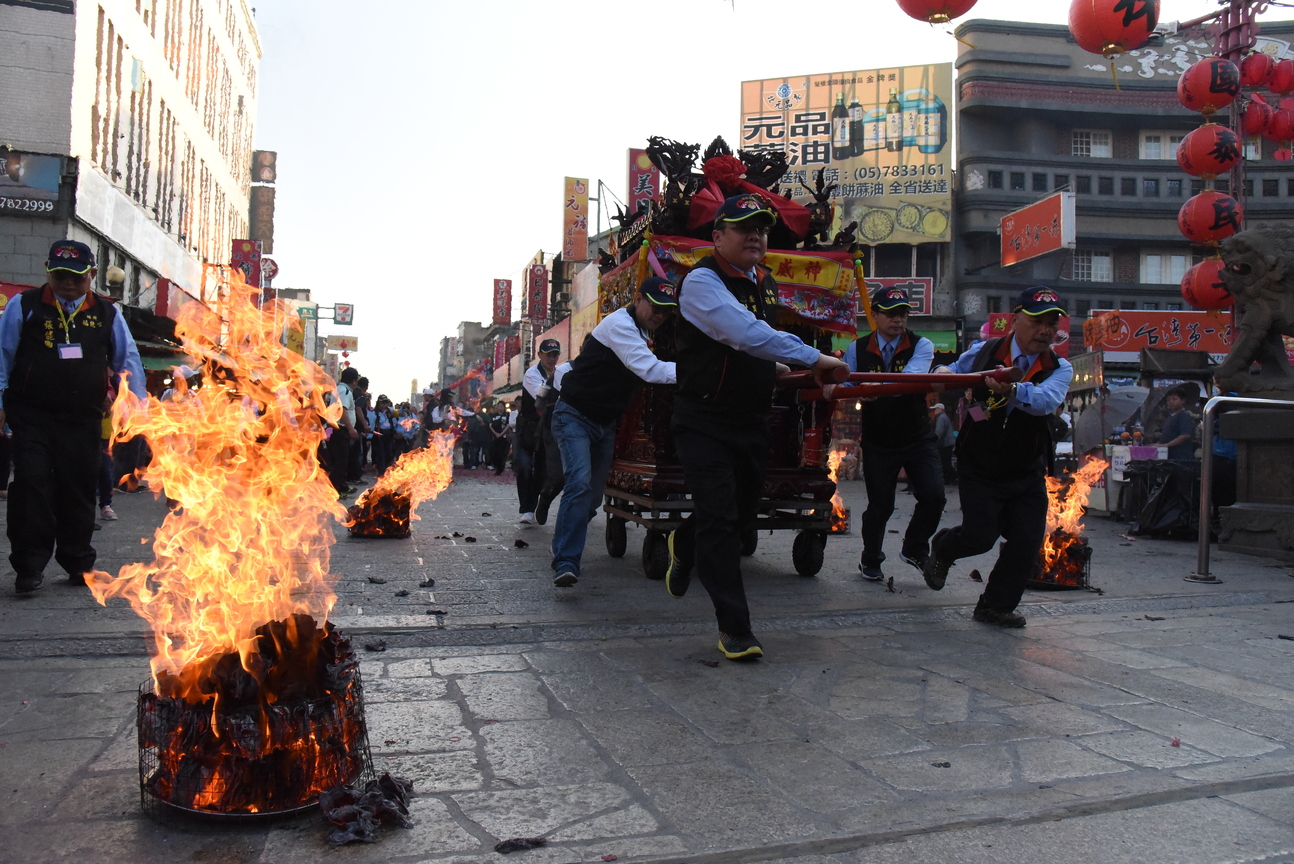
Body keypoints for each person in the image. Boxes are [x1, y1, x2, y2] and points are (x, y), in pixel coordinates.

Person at [664, 195, 848, 660]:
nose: (755, 237)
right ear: (717, 236)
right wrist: (809, 357)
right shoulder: (702, 281)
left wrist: (778, 370)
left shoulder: (764, 283)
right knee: (723, 522)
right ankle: (736, 629)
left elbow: (752, 348)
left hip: (751, 419)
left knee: (741, 518)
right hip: (703, 419)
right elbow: (742, 333)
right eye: (743, 227)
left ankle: (683, 542)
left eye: (762, 230)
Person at [922, 287, 1074, 628]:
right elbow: (952, 373)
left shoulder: (1059, 367)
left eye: (1052, 323)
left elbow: (1046, 401)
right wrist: (943, 376)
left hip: (1026, 470)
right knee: (980, 536)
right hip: (980, 466)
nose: (1046, 330)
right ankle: (944, 548)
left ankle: (995, 606)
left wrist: (1013, 389)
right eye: (1038, 321)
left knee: (1027, 540)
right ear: (1016, 318)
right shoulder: (983, 352)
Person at [0, 240, 146, 593]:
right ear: (49, 273)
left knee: (79, 487)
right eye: (60, 275)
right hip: (31, 415)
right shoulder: (25, 306)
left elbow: (126, 363)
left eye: (76, 277)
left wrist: (137, 407)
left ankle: (78, 561)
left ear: (92, 275)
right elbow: (3, 355)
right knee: (32, 483)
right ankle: (29, 566)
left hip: (82, 418)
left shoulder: (108, 314)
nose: (68, 283)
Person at [549, 277, 679, 587]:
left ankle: (569, 531)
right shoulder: (619, 324)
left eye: (666, 311)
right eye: (655, 307)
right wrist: (700, 374)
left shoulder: (645, 332)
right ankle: (566, 561)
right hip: (574, 416)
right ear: (639, 299)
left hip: (604, 424)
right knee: (579, 485)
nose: (659, 315)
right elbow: (650, 369)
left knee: (593, 497)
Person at [843, 287, 945, 583]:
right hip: (878, 440)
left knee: (934, 495)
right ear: (874, 316)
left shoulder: (921, 344)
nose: (897, 320)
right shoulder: (857, 348)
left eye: (902, 313)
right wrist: (845, 388)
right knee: (880, 506)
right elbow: (848, 384)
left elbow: (909, 378)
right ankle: (871, 557)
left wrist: (872, 387)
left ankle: (914, 547)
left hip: (917, 436)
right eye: (890, 313)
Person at [515, 339, 561, 523]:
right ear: (539, 354)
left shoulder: (561, 372)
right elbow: (541, 397)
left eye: (555, 354)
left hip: (546, 429)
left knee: (542, 471)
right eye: (548, 354)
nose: (552, 358)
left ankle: (536, 504)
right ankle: (526, 509)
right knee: (525, 467)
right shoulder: (532, 373)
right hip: (528, 427)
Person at [327, 367, 361, 496]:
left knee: (343, 460)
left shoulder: (340, 389)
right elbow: (342, 411)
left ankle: (342, 486)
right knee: (340, 462)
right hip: (340, 430)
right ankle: (334, 490)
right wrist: (351, 429)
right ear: (354, 380)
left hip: (340, 430)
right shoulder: (345, 391)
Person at [1159, 386, 1198, 463]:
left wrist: (1166, 445)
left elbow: (1185, 435)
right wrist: (1158, 444)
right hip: (1169, 456)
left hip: (1180, 457)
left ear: (1183, 400)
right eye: (1168, 400)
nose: (1171, 402)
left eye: (1174, 399)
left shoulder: (1184, 415)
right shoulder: (1170, 416)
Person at [371, 395, 395, 475]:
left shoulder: (388, 411)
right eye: (383, 402)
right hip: (379, 434)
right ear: (379, 403)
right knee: (380, 454)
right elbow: (372, 424)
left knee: (389, 453)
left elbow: (399, 412)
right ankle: (381, 472)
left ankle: (387, 471)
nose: (384, 404)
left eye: (386, 402)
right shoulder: (374, 412)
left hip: (388, 433)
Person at [932, 403, 957, 484]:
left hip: (945, 444)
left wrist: (934, 441)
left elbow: (939, 432)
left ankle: (954, 477)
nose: (934, 411)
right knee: (945, 462)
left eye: (936, 409)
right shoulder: (942, 417)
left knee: (945, 463)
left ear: (941, 409)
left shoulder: (941, 418)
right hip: (946, 443)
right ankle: (949, 478)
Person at [488, 402, 510, 475]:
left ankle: (500, 468)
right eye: (498, 406)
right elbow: (490, 425)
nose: (500, 408)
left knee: (502, 453)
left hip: (504, 437)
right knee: (494, 453)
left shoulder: (507, 415)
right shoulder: (493, 415)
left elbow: (508, 425)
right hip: (495, 437)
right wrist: (495, 433)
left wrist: (501, 433)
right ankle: (496, 466)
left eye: (501, 406)